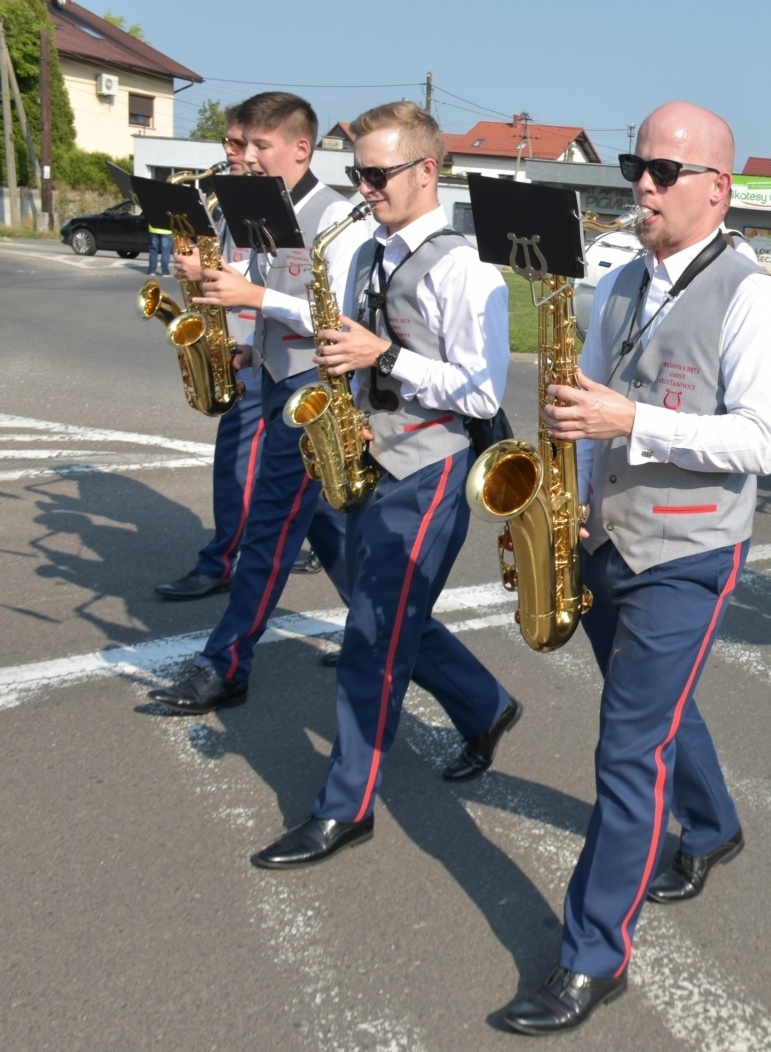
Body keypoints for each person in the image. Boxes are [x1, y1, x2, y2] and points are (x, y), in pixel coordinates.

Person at [498, 102, 771, 1036]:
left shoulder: (755, 295)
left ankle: (593, 955)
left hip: (690, 550)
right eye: (639, 165)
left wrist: (632, 424)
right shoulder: (619, 281)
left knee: (628, 746)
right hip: (606, 536)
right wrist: (568, 504)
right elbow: (588, 404)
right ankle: (713, 828)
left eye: (667, 171)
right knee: (659, 711)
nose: (644, 184)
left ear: (720, 188)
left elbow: (761, 441)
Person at [249, 102, 520, 868]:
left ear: (427, 171)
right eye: (356, 173)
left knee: (373, 637)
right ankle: (485, 707)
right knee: (388, 614)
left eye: (377, 174)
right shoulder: (363, 248)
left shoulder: (467, 269)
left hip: (432, 468)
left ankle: (345, 807)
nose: (364, 188)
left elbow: (480, 391)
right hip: (375, 453)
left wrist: (382, 358)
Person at [146, 92, 373, 714]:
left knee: (270, 532)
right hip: (275, 377)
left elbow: (343, 319)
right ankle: (470, 694)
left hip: (315, 393)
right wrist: (249, 344)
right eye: (242, 146)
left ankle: (226, 663)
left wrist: (257, 300)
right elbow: (269, 297)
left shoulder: (339, 219)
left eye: (259, 147)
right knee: (328, 532)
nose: (245, 156)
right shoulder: (261, 208)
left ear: (301, 148)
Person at [155, 111, 267, 602]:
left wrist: (212, 268)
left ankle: (221, 560)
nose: (233, 152)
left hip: (267, 352)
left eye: (244, 144)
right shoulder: (223, 202)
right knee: (271, 466)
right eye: (230, 142)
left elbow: (278, 277)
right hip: (239, 345)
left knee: (238, 461)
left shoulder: (273, 205)